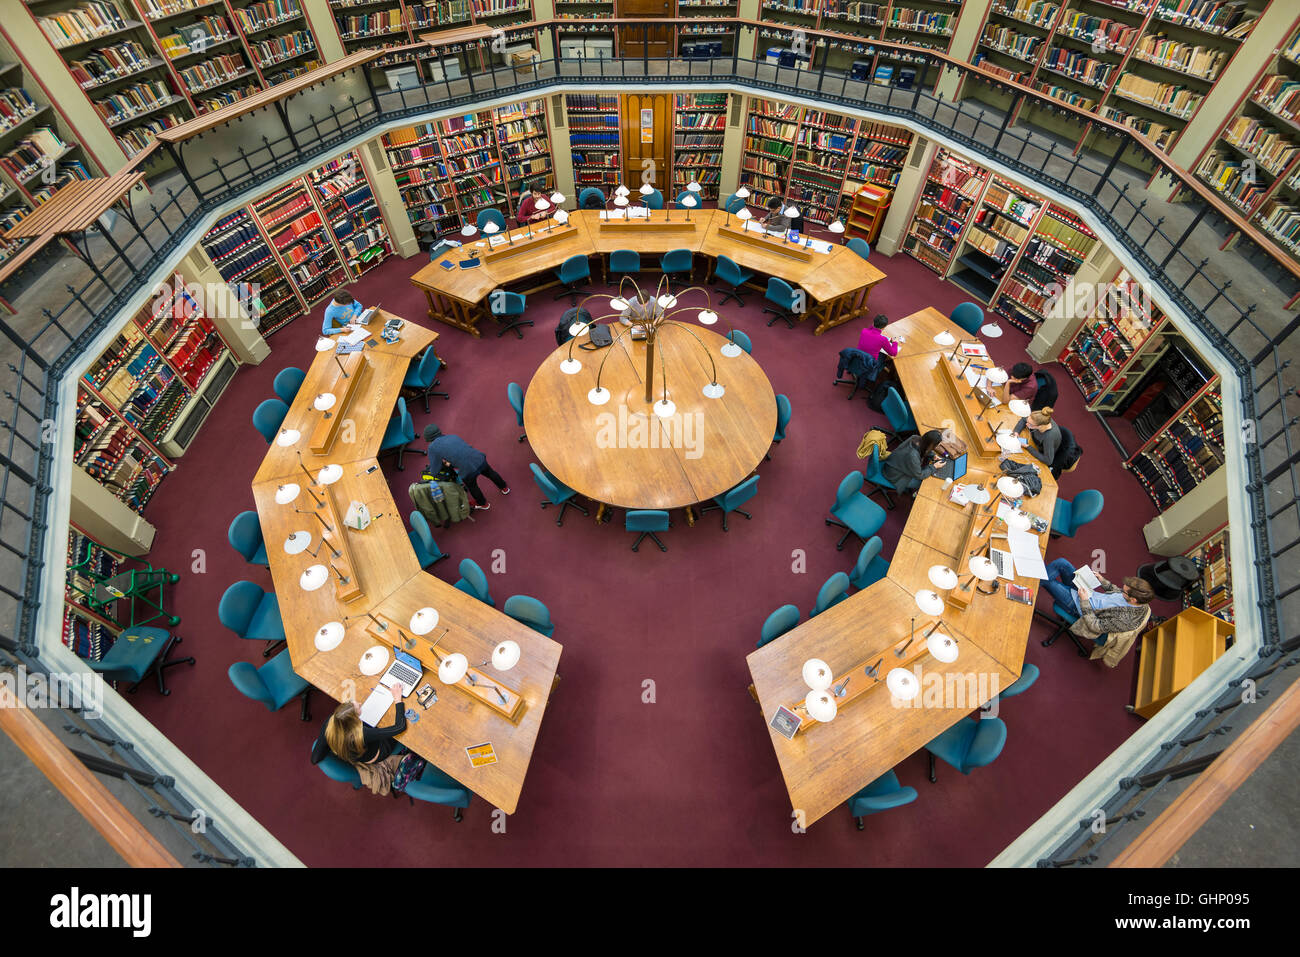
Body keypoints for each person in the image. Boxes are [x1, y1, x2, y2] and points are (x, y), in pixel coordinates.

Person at [310, 691, 425, 795]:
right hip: (380, 752)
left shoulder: (330, 725)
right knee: (405, 729)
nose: (360, 703)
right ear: (354, 721)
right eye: (358, 708)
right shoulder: (362, 734)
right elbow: (399, 727)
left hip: (362, 753)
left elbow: (314, 758)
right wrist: (398, 700)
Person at [1042, 558, 1155, 643]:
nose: (1122, 589)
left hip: (1081, 608)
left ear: (1133, 599)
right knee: (1062, 563)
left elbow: (1095, 626)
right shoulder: (1136, 599)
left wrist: (1084, 601)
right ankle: (1030, 580)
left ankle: (1027, 584)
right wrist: (1102, 580)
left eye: (1124, 591)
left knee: (1048, 581)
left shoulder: (1125, 620)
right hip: (1088, 593)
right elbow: (1116, 592)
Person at [423, 424, 509, 510]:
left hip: (467, 470)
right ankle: (504, 488)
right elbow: (461, 452)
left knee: (473, 486)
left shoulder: (432, 447)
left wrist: (434, 471)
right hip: (478, 458)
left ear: (428, 439)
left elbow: (434, 470)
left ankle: (483, 504)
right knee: (491, 473)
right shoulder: (453, 436)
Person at [881, 428, 946, 494]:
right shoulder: (913, 456)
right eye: (937, 445)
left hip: (893, 464)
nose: (937, 446)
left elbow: (924, 448)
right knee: (924, 484)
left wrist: (933, 455)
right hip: (894, 475)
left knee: (927, 473)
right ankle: (915, 495)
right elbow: (920, 475)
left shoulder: (915, 438)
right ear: (931, 445)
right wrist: (934, 467)